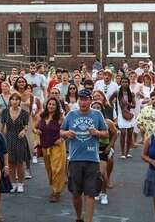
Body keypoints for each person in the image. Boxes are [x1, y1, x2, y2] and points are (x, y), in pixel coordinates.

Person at [61, 89, 108, 222]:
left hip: (92, 159)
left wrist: (97, 133)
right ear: (78, 101)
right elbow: (61, 131)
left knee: (90, 193)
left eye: (86, 99)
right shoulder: (71, 115)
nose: (83, 102)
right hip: (75, 159)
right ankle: (78, 216)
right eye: (81, 99)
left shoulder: (97, 114)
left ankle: (88, 220)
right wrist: (66, 134)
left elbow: (106, 133)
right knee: (76, 194)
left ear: (90, 100)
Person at [35, 97, 66, 203]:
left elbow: (69, 129)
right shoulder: (42, 116)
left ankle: (56, 192)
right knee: (50, 169)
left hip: (57, 147)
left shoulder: (61, 118)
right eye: (49, 104)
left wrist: (62, 138)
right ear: (46, 105)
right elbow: (35, 128)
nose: (51, 106)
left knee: (57, 169)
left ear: (57, 107)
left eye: (53, 104)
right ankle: (54, 186)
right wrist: (37, 131)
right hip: (45, 147)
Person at [1, 93, 29, 193]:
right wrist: (1, 138)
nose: (15, 101)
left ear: (19, 101)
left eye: (17, 99)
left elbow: (26, 126)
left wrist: (24, 131)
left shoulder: (24, 113)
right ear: (10, 101)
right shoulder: (5, 112)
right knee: (11, 163)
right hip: (8, 138)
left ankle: (21, 183)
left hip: (20, 138)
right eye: (12, 99)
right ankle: (13, 183)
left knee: (20, 163)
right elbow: (2, 126)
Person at [91, 101, 117, 205]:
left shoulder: (108, 122)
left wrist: (110, 146)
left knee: (102, 172)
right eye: (94, 107)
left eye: (98, 107)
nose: (96, 109)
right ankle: (97, 191)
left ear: (102, 110)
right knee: (93, 173)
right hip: (91, 150)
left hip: (103, 150)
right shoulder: (88, 121)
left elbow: (115, 134)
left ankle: (104, 193)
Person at [110, 76, 135, 159]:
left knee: (130, 132)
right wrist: (113, 107)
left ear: (128, 83)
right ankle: (122, 152)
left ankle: (127, 152)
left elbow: (134, 106)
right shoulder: (117, 92)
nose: (124, 83)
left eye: (126, 82)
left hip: (130, 114)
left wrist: (129, 104)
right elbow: (110, 99)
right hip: (121, 114)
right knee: (123, 132)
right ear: (120, 83)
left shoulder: (131, 93)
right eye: (123, 82)